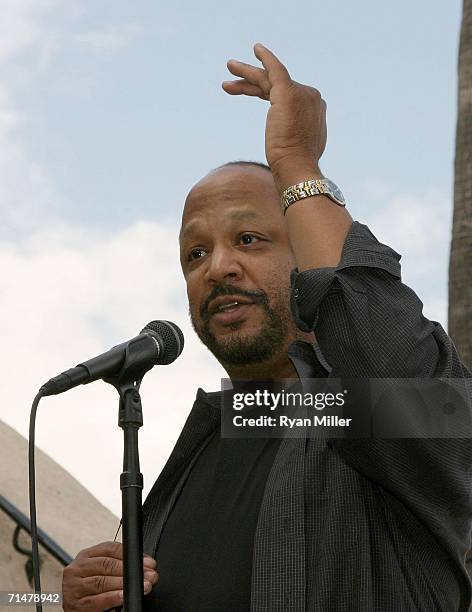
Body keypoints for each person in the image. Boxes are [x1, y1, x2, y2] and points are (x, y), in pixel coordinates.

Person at [62, 44, 472, 611]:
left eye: (248, 240)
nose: (218, 268)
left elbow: (406, 378)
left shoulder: (368, 419)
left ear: (307, 257)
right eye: (195, 254)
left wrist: (295, 163)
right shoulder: (207, 442)